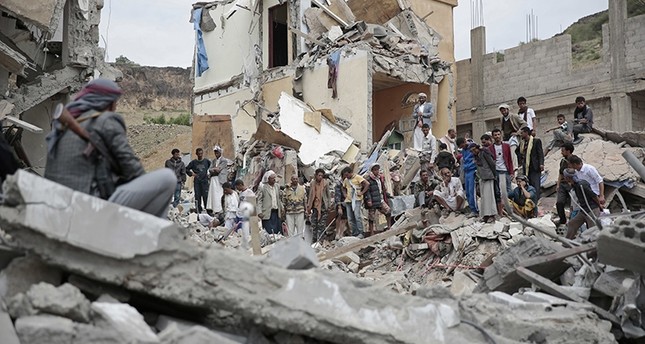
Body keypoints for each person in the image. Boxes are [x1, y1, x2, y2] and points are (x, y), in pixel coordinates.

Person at [44, 78, 175, 218]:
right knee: (167, 178)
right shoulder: (106, 120)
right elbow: (134, 171)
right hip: (88, 208)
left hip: (55, 208)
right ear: (110, 103)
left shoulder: (61, 129)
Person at [562, 168, 601, 239]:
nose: (563, 178)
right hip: (583, 210)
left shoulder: (582, 184)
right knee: (572, 223)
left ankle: (594, 246)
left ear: (567, 177)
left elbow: (593, 196)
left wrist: (599, 205)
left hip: (591, 210)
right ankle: (567, 243)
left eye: (565, 176)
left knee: (592, 230)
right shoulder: (574, 185)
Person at [470, 143, 497, 223]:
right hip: (482, 177)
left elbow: (492, 164)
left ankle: (491, 215)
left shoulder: (484, 153)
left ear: (477, 148)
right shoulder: (476, 156)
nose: (473, 152)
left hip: (488, 176)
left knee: (490, 197)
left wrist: (495, 175)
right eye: (472, 151)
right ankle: (485, 215)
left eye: (474, 150)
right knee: (484, 198)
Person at [516, 126, 544, 199]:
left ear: (526, 133)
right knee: (528, 185)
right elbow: (517, 151)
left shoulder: (536, 141)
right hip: (526, 168)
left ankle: (536, 200)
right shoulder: (522, 143)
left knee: (536, 185)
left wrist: (541, 164)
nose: (521, 135)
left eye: (522, 133)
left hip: (535, 167)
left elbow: (540, 153)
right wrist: (521, 159)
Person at [364, 163, 392, 236]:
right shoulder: (369, 179)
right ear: (372, 170)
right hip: (372, 201)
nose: (377, 171)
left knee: (388, 211)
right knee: (371, 217)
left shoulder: (380, 178)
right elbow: (367, 191)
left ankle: (389, 227)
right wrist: (369, 200)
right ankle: (371, 232)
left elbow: (382, 189)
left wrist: (388, 195)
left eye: (378, 169)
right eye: (375, 170)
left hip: (380, 199)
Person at [342, 166, 369, 238]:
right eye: (345, 175)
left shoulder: (358, 177)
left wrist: (362, 192)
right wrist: (345, 195)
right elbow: (343, 188)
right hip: (348, 200)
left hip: (357, 199)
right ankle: (354, 233)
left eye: (347, 175)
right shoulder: (346, 180)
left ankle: (361, 232)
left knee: (357, 216)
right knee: (350, 218)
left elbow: (367, 184)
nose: (346, 176)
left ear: (351, 173)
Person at [499, 103, 527, 170]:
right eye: (502, 111)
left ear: (507, 110)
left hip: (514, 137)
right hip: (506, 138)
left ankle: (515, 167)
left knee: (512, 151)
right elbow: (502, 128)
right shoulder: (502, 118)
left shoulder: (514, 116)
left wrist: (518, 132)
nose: (503, 112)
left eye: (504, 110)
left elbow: (524, 123)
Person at [307, 169, 332, 243]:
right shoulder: (312, 183)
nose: (320, 177)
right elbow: (311, 195)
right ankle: (314, 240)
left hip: (323, 206)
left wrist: (329, 205)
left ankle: (320, 240)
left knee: (322, 224)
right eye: (319, 175)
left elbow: (328, 195)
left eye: (322, 175)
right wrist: (308, 206)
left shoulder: (325, 183)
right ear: (316, 175)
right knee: (314, 224)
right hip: (315, 206)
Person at [554, 142, 575, 228]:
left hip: (571, 185)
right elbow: (560, 173)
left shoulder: (574, 160)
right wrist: (558, 184)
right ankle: (562, 220)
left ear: (568, 151)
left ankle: (572, 221)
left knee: (572, 204)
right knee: (559, 202)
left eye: (563, 150)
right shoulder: (562, 161)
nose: (561, 152)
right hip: (563, 184)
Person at [490, 129, 514, 201]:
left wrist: (511, 172)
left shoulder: (506, 146)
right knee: (497, 191)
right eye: (495, 135)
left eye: (498, 134)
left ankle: (510, 206)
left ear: (501, 135)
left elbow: (509, 160)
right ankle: (501, 208)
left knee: (508, 189)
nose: (497, 136)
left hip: (505, 170)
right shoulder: (490, 148)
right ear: (493, 137)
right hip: (496, 170)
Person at [457, 137, 478, 217]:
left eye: (462, 145)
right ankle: (472, 208)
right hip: (466, 172)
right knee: (468, 192)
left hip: (472, 171)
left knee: (472, 191)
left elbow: (475, 159)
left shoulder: (472, 147)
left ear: (464, 142)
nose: (462, 147)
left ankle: (475, 210)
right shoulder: (464, 150)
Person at [257, 170, 283, 235]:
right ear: (268, 179)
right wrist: (259, 212)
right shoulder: (263, 187)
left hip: (276, 212)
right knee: (268, 231)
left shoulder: (277, 186)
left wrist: (282, 208)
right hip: (267, 213)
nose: (274, 179)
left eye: (275, 178)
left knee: (277, 231)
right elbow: (259, 200)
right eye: (272, 178)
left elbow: (279, 198)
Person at [206, 146, 231, 214]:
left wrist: (214, 169)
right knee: (213, 195)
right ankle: (214, 210)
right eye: (215, 152)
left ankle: (219, 210)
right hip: (213, 180)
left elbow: (218, 170)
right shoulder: (213, 161)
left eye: (217, 152)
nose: (216, 154)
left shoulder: (224, 161)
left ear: (220, 152)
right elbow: (210, 169)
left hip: (220, 180)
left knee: (219, 194)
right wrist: (214, 169)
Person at [186, 148, 211, 213]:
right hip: (197, 181)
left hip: (205, 181)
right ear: (196, 154)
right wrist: (192, 174)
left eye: (201, 153)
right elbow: (186, 169)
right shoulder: (193, 162)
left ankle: (208, 210)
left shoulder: (206, 161)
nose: (200, 155)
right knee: (197, 196)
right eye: (199, 154)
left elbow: (211, 167)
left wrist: (209, 174)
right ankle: (198, 210)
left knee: (205, 196)